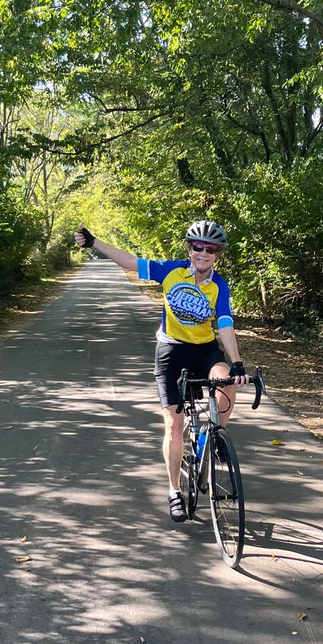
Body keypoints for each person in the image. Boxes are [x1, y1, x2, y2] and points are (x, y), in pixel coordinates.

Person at [73, 219, 249, 523]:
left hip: (204, 349)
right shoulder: (171, 271)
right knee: (174, 424)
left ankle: (215, 435)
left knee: (226, 382)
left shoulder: (218, 284)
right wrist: (94, 242)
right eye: (198, 246)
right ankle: (174, 490)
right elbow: (130, 262)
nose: (203, 252)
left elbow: (224, 323)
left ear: (218, 254)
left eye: (210, 248)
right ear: (190, 248)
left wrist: (236, 361)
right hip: (171, 351)